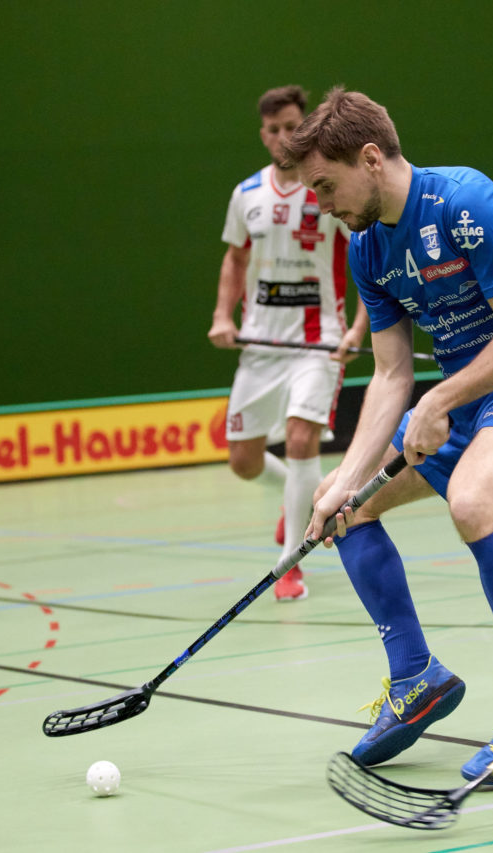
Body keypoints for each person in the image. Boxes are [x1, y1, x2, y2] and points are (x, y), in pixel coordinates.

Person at [285, 87, 493, 785]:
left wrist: (445, 397)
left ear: (370, 158)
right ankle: (415, 677)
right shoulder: (367, 247)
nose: (321, 204)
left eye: (326, 186)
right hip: (461, 401)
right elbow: (392, 372)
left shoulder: (465, 202)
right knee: (349, 510)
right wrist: (344, 476)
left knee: (471, 500)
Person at [207, 85, 369, 601]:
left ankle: (290, 562)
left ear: (306, 129)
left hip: (318, 342)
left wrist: (356, 330)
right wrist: (221, 315)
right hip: (260, 346)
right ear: (263, 134)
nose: (282, 137)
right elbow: (234, 260)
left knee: (301, 441)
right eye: (273, 129)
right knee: (243, 462)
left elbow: (368, 257)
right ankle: (296, 501)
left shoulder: (327, 189)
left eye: (291, 127)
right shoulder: (246, 194)